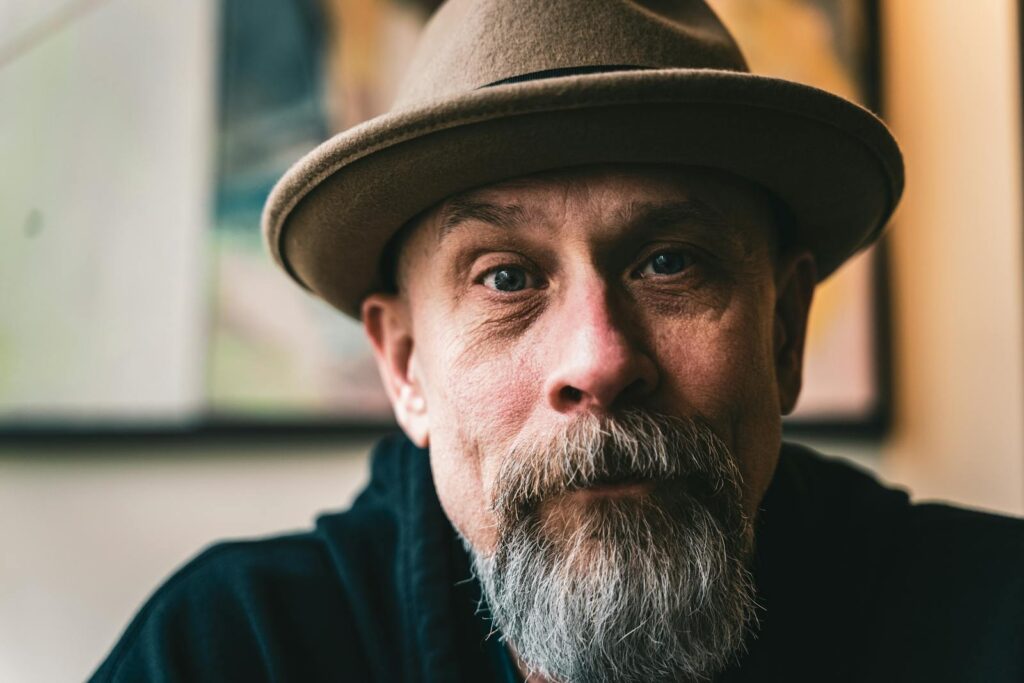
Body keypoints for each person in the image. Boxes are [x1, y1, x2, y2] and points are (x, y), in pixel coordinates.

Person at [91, 1, 1024, 681]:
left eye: (669, 262)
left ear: (783, 331)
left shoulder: (991, 621)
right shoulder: (232, 651)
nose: (599, 360)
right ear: (405, 364)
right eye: (505, 278)